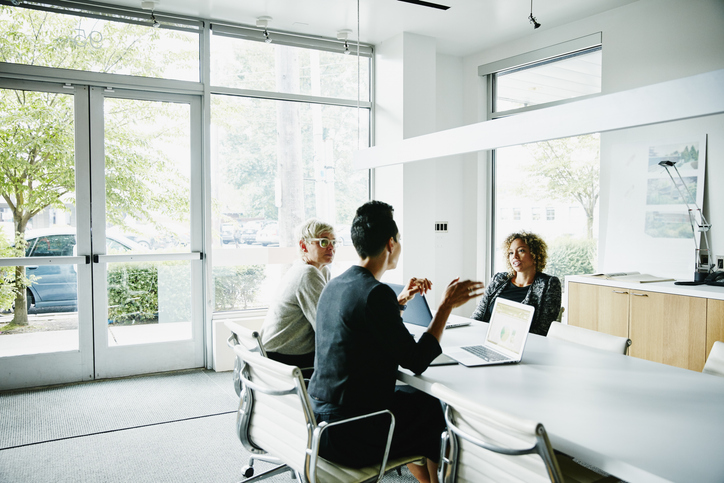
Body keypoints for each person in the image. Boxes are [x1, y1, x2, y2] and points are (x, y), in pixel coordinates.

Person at [308, 201, 484, 483]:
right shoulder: (375, 293)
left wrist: (400, 301)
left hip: (320, 423)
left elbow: (367, 327)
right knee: (432, 409)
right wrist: (444, 307)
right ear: (391, 244)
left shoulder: (337, 283)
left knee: (418, 403)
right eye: (399, 240)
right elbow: (416, 360)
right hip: (350, 432)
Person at [260, 219, 337, 374]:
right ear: (303, 246)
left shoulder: (320, 270)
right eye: (323, 242)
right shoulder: (307, 273)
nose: (331, 247)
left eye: (334, 242)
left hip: (275, 352)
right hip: (281, 358)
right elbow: (325, 326)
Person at [471, 231, 561, 336]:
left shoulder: (549, 284)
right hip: (487, 338)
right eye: (511, 253)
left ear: (535, 255)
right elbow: (478, 316)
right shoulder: (499, 279)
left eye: (521, 251)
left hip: (524, 346)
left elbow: (543, 329)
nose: (515, 256)